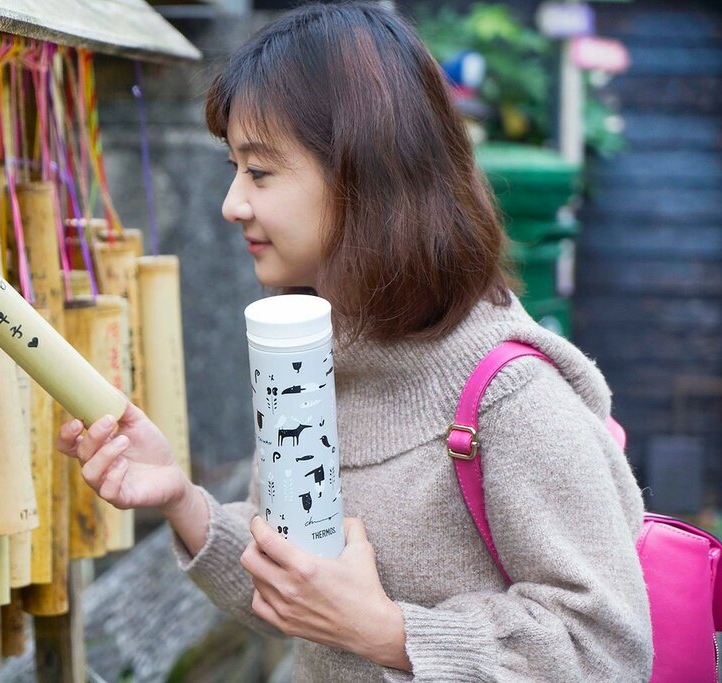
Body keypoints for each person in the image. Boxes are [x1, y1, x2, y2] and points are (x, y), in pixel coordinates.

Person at [56, 3, 653, 680]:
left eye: (259, 171)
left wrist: (389, 633)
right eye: (234, 168)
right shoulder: (322, 353)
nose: (231, 203)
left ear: (361, 176)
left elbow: (608, 648)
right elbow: (294, 593)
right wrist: (179, 497)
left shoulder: (513, 398)